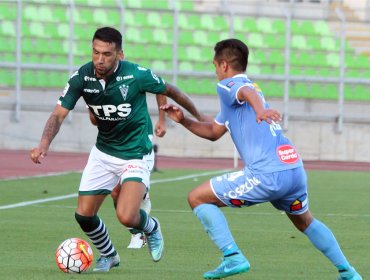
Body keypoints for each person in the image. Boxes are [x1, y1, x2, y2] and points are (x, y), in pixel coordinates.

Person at [160, 38, 362, 280]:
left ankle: (231, 256)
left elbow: (247, 92)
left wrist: (260, 111)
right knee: (305, 221)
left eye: (214, 65)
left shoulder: (229, 86)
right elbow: (213, 132)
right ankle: (348, 272)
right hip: (292, 168)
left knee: (197, 198)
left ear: (224, 65)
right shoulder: (238, 97)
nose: (215, 71)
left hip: (267, 174)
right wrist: (183, 120)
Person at [30, 26, 207, 272]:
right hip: (103, 153)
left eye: (107, 54)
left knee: (126, 216)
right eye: (96, 52)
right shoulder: (81, 77)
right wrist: (43, 144)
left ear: (120, 54)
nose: (100, 59)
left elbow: (169, 90)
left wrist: (196, 117)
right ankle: (109, 255)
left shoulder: (135, 75)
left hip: (135, 152)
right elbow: (58, 115)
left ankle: (151, 227)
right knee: (84, 215)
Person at [88, 95, 166, 249]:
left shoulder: (133, 74)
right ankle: (136, 230)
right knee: (116, 193)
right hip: (114, 145)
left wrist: (162, 119)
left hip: (139, 140)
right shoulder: (92, 83)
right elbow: (93, 120)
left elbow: (162, 88)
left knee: (119, 191)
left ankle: (140, 232)